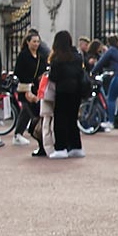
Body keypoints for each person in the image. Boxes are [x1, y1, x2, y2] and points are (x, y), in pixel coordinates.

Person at [44, 29, 87, 158]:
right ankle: (76, 146)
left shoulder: (58, 58)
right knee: (72, 120)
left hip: (63, 91)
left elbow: (54, 76)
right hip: (76, 92)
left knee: (60, 119)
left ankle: (61, 147)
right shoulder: (78, 56)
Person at [11, 32, 47, 146]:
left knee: (26, 112)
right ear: (28, 42)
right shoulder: (23, 55)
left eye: (37, 41)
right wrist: (28, 81)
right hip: (25, 87)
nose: (36, 44)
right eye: (34, 41)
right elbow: (18, 72)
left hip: (36, 87)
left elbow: (43, 70)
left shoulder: (41, 56)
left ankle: (18, 134)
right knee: (30, 111)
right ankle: (27, 133)